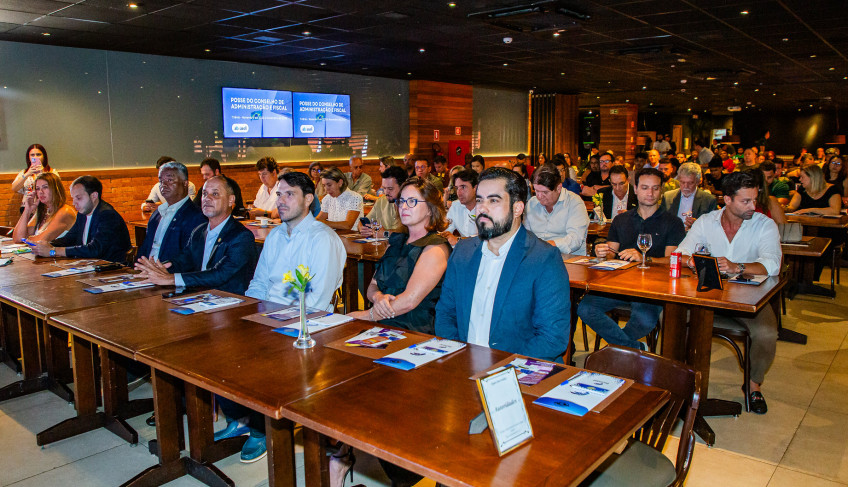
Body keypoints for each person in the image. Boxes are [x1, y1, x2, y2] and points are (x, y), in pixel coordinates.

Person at [435, 167, 571, 362]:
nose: (482, 208)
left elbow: (552, 338)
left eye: (494, 200)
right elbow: (445, 314)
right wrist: (460, 359)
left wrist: (500, 370)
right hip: (462, 365)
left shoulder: (544, 259)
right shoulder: (462, 253)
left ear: (517, 208)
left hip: (516, 372)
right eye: (480, 200)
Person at [676, 170, 782, 414]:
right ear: (728, 200)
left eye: (755, 199)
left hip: (748, 298)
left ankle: (753, 385)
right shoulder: (706, 221)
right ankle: (678, 381)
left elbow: (773, 264)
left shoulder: (764, 225)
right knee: (670, 318)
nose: (752, 206)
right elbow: (681, 253)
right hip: (708, 294)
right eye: (746, 201)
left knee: (766, 333)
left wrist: (739, 267)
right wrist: (693, 261)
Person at [578, 167, 686, 351]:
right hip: (618, 284)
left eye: (655, 188)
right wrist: (603, 252)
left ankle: (616, 352)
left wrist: (645, 258)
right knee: (585, 308)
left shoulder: (673, 222)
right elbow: (612, 253)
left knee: (643, 320)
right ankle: (632, 348)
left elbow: (672, 260)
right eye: (644, 188)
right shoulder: (622, 220)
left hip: (652, 288)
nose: (650, 193)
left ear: (661, 190)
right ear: (635, 189)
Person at [348, 177, 451, 334]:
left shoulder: (436, 247)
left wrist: (367, 315)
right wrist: (378, 297)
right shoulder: (396, 241)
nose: (403, 207)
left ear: (430, 208)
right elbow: (372, 286)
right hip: (382, 322)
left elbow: (409, 301)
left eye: (412, 201)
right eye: (401, 201)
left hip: (414, 329)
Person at [135, 176, 258, 295]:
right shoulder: (199, 231)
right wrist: (160, 269)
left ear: (231, 200)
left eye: (214, 194)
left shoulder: (241, 236)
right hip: (200, 297)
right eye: (204, 194)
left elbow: (219, 275)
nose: (207, 198)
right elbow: (184, 261)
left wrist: (171, 279)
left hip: (230, 303)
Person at [246, 171, 345, 312]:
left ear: (308, 199)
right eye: (279, 195)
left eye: (290, 194)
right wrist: (251, 311)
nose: (280, 201)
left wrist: (278, 318)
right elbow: (259, 283)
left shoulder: (323, 239)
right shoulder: (274, 235)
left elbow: (317, 301)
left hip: (304, 322)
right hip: (268, 314)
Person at [31, 176, 131, 263]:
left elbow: (95, 249)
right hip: (89, 266)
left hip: (111, 270)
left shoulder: (107, 215)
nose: (74, 203)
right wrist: (47, 245)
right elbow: (70, 239)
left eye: (78, 198)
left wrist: (53, 251)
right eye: (73, 198)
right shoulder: (82, 214)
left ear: (94, 196)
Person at [137, 162, 207, 263]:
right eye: (161, 181)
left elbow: (189, 258)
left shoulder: (196, 217)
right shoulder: (157, 214)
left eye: (170, 180)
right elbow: (145, 248)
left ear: (185, 183)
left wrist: (161, 272)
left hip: (169, 274)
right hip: (147, 272)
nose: (163, 185)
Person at [524, 164, 589, 255]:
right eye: (536, 191)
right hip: (538, 258)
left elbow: (575, 240)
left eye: (545, 192)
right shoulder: (532, 203)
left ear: (558, 188)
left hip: (568, 260)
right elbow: (526, 236)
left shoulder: (574, 202)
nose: (539, 196)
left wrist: (546, 245)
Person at [13, 172, 76, 244]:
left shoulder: (65, 211)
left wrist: (25, 239)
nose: (40, 192)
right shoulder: (43, 211)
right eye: (37, 188)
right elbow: (18, 238)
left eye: (45, 187)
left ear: (56, 189)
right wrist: (27, 210)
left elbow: (41, 240)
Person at [661, 162, 718, 230]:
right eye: (682, 182)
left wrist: (698, 225)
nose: (686, 186)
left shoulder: (709, 200)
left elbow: (714, 226)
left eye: (690, 183)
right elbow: (662, 223)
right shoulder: (668, 197)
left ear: (698, 182)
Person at [13, 144, 61, 213]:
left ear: (44, 156)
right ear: (28, 158)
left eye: (38, 155)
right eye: (32, 155)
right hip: (28, 207)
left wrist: (42, 173)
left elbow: (57, 190)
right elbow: (14, 188)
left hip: (47, 207)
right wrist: (27, 174)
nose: (35, 157)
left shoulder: (52, 172)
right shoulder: (24, 172)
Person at [360, 165, 407, 237]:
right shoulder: (381, 201)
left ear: (402, 186)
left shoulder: (410, 205)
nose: (386, 192)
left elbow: (408, 233)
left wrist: (385, 233)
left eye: (390, 189)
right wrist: (362, 229)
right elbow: (364, 221)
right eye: (384, 188)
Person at [442, 169, 478, 246]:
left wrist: (459, 240)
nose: (459, 192)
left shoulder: (486, 208)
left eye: (463, 187)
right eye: (457, 188)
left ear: (475, 188)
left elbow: (485, 239)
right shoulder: (455, 206)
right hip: (462, 250)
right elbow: (445, 231)